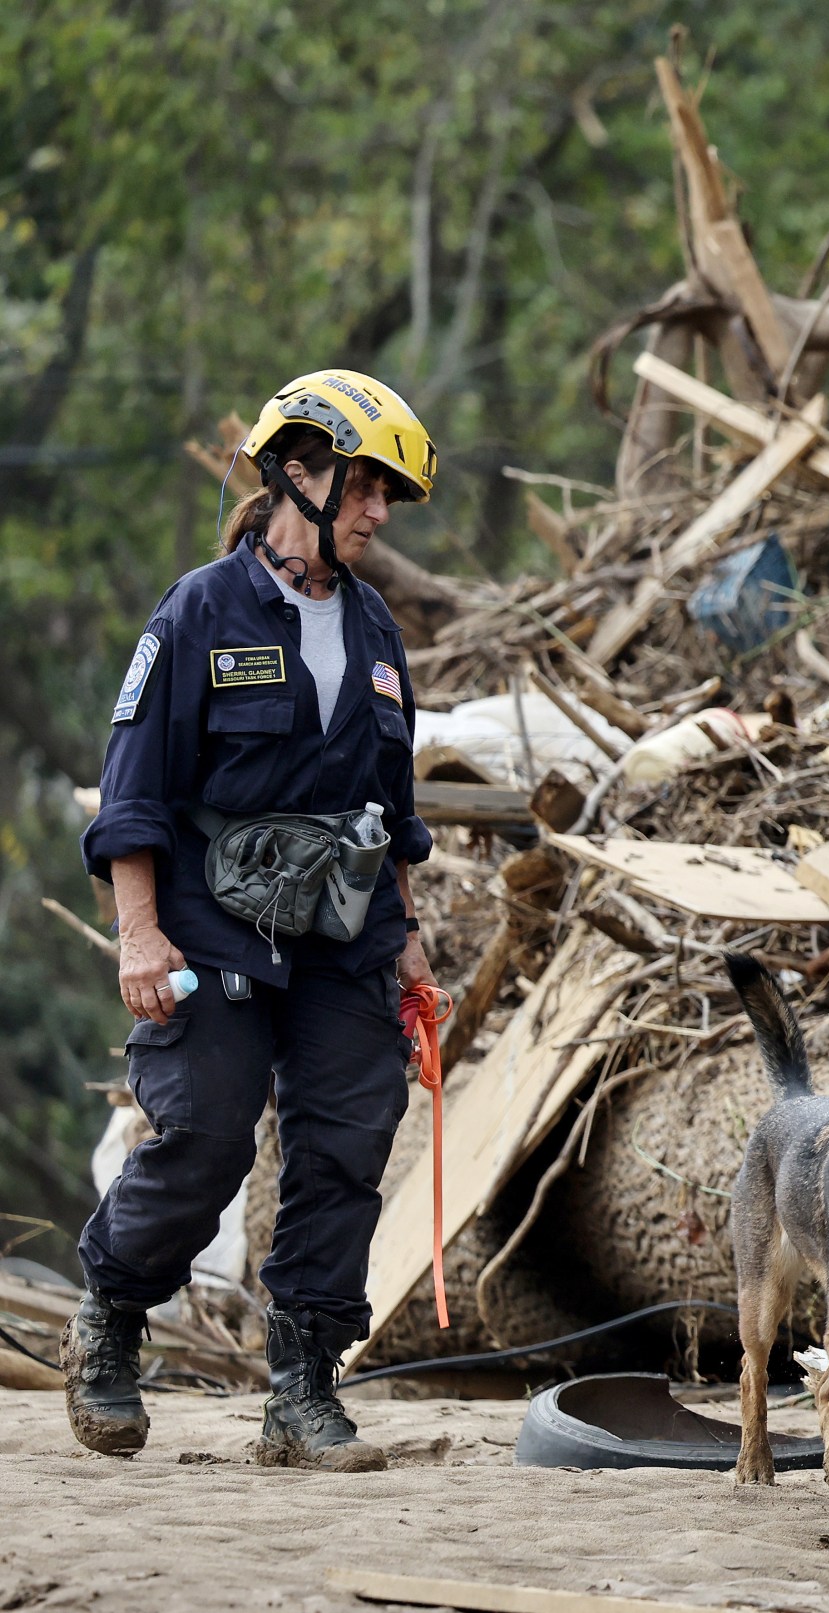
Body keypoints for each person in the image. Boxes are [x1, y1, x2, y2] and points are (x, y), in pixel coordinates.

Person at [65, 370, 442, 1470]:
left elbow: (394, 815)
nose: (378, 513)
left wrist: (408, 940)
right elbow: (131, 793)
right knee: (212, 1131)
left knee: (344, 1146)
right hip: (211, 932)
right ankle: (114, 1312)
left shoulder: (375, 631)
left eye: (388, 496)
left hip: (343, 937)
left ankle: (302, 1388)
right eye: (367, 487)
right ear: (297, 471)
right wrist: (140, 934)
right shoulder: (196, 612)